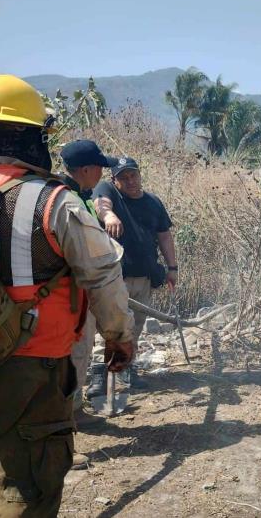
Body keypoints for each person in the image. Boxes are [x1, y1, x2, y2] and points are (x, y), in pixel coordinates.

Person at [0, 75, 134, 517]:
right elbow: (103, 274)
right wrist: (119, 337)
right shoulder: (54, 201)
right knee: (27, 485)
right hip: (33, 367)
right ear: (30, 136)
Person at [92, 157, 177, 390]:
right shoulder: (107, 191)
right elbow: (101, 204)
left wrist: (172, 268)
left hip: (143, 277)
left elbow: (164, 236)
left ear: (140, 175)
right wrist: (109, 216)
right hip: (114, 278)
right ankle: (99, 375)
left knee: (135, 327)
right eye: (123, 177)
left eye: (133, 175)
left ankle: (124, 370)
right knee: (108, 326)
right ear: (115, 180)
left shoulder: (153, 203)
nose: (130, 181)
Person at [59, 140, 119, 424]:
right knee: (75, 355)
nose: (101, 174)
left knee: (80, 354)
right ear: (85, 169)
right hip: (71, 298)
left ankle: (75, 411)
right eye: (99, 168)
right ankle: (68, 419)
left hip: (79, 296)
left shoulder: (81, 196)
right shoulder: (67, 200)